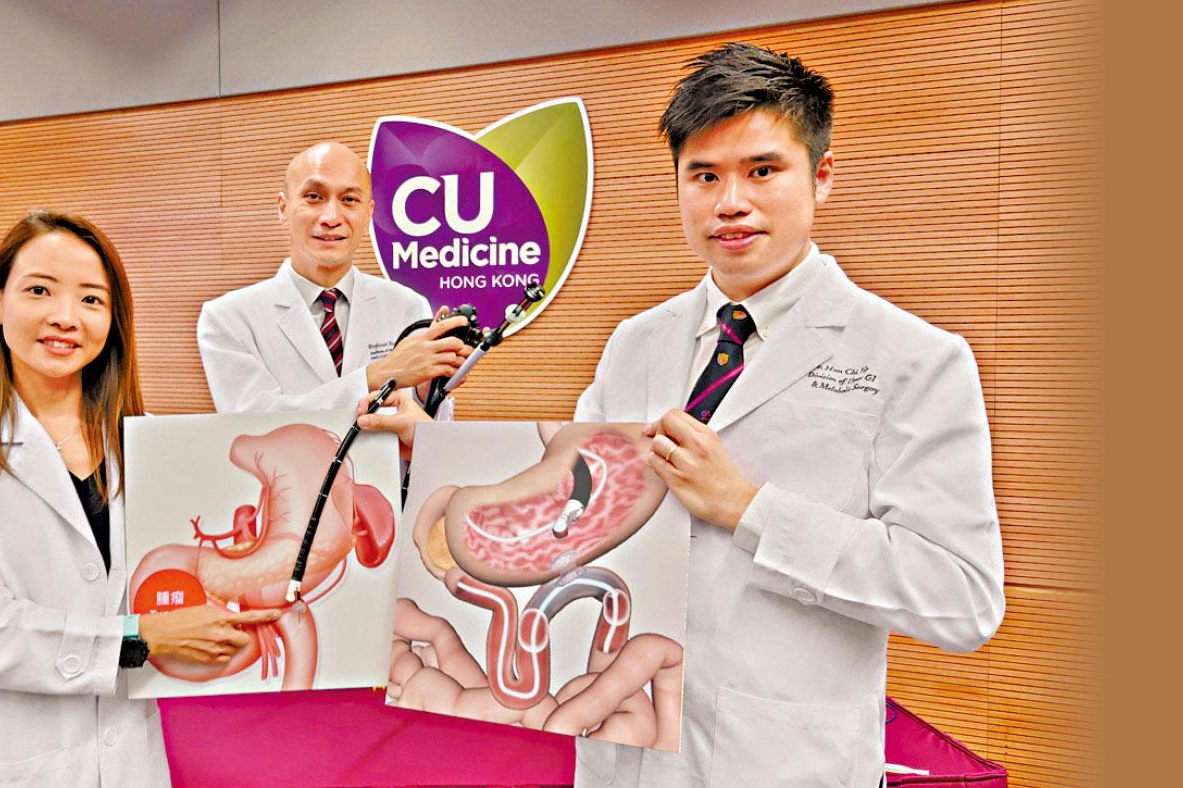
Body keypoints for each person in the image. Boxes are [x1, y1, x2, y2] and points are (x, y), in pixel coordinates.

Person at [365, 43, 1005, 787]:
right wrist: (437, 458)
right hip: (625, 750)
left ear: (821, 176)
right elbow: (567, 505)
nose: (730, 202)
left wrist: (751, 511)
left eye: (762, 171)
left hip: (781, 761)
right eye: (704, 175)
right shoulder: (637, 342)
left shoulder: (915, 360)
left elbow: (961, 598)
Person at [0, 211, 281, 786]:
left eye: (91, 299)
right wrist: (137, 638)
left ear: (112, 320)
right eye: (39, 291)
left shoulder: (149, 443)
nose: (65, 317)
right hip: (1, 760)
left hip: (126, 755)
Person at [196, 141, 469, 415]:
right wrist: (378, 375)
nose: (331, 217)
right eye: (314, 196)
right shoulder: (227, 318)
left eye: (349, 200)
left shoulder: (409, 307)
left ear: (368, 212)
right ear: (283, 208)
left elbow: (427, 433)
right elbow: (251, 423)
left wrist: (426, 394)